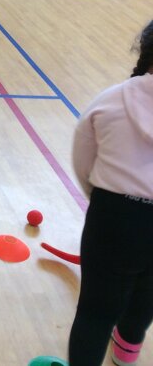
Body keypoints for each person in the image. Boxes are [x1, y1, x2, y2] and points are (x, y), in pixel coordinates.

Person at [68, 20, 153, 365]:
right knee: (147, 299)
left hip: (114, 218)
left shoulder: (113, 98)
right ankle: (126, 352)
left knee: (95, 312)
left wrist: (103, 199)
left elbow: (83, 158)